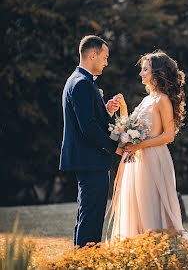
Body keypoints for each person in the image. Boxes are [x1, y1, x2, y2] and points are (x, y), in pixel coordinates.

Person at [109, 50, 188, 254]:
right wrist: (123, 109)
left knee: (154, 205)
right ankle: (142, 252)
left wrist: (138, 146)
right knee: (139, 206)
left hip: (155, 159)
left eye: (145, 70)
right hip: (138, 161)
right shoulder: (146, 100)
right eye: (142, 70)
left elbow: (168, 136)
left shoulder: (162, 100)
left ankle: (166, 252)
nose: (141, 74)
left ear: (157, 73)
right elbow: (130, 127)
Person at [59, 35, 122, 248]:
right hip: (90, 159)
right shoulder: (82, 84)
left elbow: (88, 120)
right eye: (104, 57)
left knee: (89, 213)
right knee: (91, 216)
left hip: (88, 158)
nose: (106, 62)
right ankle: (87, 261)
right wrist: (116, 148)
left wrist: (106, 111)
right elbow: (88, 128)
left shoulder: (79, 81)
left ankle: (84, 259)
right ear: (92, 55)